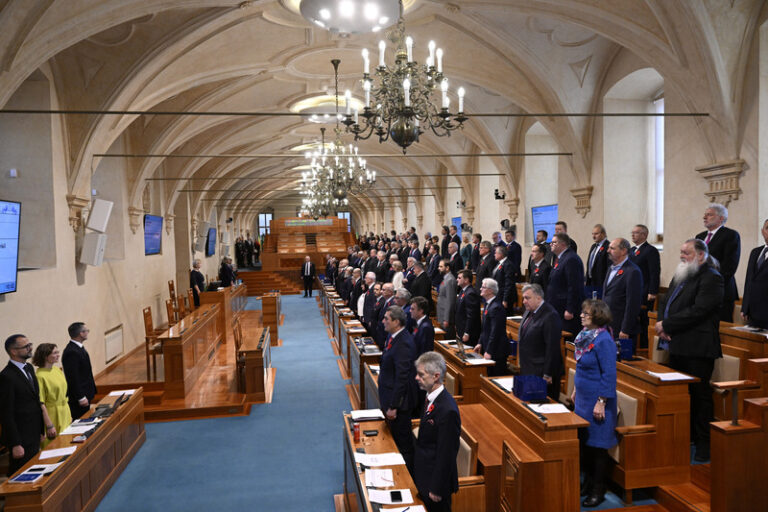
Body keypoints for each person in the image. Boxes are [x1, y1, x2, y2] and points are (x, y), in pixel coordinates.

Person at [655, 239, 723, 462]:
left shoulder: (712, 278)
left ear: (701, 255)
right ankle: (687, 436)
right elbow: (665, 301)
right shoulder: (682, 273)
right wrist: (662, 324)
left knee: (701, 396)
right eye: (681, 252)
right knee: (682, 395)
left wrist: (668, 325)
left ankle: (705, 444)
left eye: (687, 253)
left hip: (699, 348)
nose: (682, 256)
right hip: (677, 344)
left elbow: (699, 310)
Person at [570, 299, 617, 508]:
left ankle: (599, 489)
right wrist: (574, 389)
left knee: (598, 447)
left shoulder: (604, 340)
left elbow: (609, 374)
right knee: (586, 444)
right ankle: (587, 483)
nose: (581, 316)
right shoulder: (584, 336)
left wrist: (601, 402)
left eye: (586, 314)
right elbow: (581, 366)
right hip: (582, 398)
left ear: (597, 317)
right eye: (582, 312)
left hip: (598, 401)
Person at [413, 351, 461, 512]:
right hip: (424, 473)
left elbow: (447, 453)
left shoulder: (448, 410)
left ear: (435, 376)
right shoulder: (429, 397)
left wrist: (436, 487)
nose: (417, 378)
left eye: (421, 375)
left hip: (436, 484)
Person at [379, 306, 419, 470]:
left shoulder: (403, 343)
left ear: (396, 322)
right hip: (391, 397)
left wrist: (394, 406)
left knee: (403, 444)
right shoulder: (394, 336)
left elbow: (402, 378)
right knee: (395, 440)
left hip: (400, 405)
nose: (383, 321)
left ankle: (407, 477)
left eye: (386, 319)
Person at [0, 335, 46, 476]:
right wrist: (15, 443)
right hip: (20, 435)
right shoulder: (6, 376)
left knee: (33, 468)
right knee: (20, 472)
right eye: (26, 346)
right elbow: (6, 412)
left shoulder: (29, 368)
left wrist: (41, 429)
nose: (30, 348)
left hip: (33, 431)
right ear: (13, 351)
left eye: (29, 344)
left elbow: (35, 400)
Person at [695, 203, 740, 321]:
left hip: (721, 290)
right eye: (705, 215)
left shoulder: (730, 235)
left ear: (721, 218)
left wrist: (710, 284)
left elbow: (729, 266)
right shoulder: (699, 236)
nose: (704, 217)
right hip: (700, 290)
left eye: (709, 215)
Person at [518, 284, 562, 399]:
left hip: (541, 372)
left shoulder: (550, 315)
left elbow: (552, 348)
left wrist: (548, 373)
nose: (523, 301)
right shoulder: (529, 311)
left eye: (527, 298)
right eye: (523, 298)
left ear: (538, 298)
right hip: (528, 368)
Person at [601, 238, 643, 341]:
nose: (608, 251)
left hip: (620, 327)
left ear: (623, 251)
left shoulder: (632, 272)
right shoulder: (610, 268)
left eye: (612, 248)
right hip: (607, 323)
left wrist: (625, 329)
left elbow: (633, 303)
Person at [33, 343, 72, 448]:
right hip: (52, 414)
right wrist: (49, 425)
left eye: (57, 352)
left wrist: (68, 414)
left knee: (68, 442)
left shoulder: (56, 370)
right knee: (55, 446)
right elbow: (41, 403)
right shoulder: (40, 376)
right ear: (45, 356)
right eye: (55, 353)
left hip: (64, 410)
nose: (58, 355)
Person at [629, 224, 660, 349]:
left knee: (643, 320)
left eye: (636, 232)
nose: (633, 235)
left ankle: (643, 346)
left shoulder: (650, 250)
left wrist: (653, 291)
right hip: (633, 290)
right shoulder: (631, 250)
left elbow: (654, 272)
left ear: (644, 235)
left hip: (645, 291)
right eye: (632, 232)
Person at [547, 233, 586, 335]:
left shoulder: (571, 259)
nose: (551, 244)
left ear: (563, 244)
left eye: (554, 242)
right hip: (557, 307)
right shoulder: (561, 258)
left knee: (567, 337)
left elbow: (574, 286)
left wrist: (570, 309)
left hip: (565, 309)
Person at [62, 322, 98, 420]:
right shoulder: (71, 352)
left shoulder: (78, 348)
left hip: (86, 392)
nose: (87, 332)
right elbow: (73, 377)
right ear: (81, 333)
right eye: (86, 331)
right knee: (81, 421)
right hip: (79, 397)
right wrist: (81, 397)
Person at [475, 278, 509, 376]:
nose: (480, 288)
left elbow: (495, 332)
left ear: (490, 290)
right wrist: (480, 343)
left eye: (483, 287)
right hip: (489, 347)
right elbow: (485, 328)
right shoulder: (488, 304)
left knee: (495, 378)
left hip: (497, 351)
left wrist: (489, 351)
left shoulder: (496, 307)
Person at [741, 218, 768, 328]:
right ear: (762, 231)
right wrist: (745, 307)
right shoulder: (755, 252)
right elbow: (749, 281)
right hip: (753, 313)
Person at [455, 270, 481, 347]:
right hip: (461, 329)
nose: (457, 279)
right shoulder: (463, 291)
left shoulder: (470, 293)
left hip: (469, 333)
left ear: (466, 280)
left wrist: (467, 332)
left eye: (459, 278)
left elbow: (471, 316)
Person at [585, 224, 610, 299]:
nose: (593, 236)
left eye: (596, 234)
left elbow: (608, 266)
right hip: (591, 282)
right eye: (592, 234)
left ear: (603, 234)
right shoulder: (593, 246)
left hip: (601, 283)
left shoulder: (608, 246)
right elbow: (590, 264)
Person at [492, 245, 517, 315]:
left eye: (495, 253)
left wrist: (505, 299)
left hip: (504, 297)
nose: (494, 254)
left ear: (501, 254)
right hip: (498, 295)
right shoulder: (500, 263)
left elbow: (508, 283)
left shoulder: (508, 264)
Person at [436, 259, 457, 340]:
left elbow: (450, 300)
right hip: (442, 315)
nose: (438, 268)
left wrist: (446, 319)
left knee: (447, 339)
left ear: (447, 268)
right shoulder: (446, 278)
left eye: (441, 266)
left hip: (446, 318)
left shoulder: (450, 280)